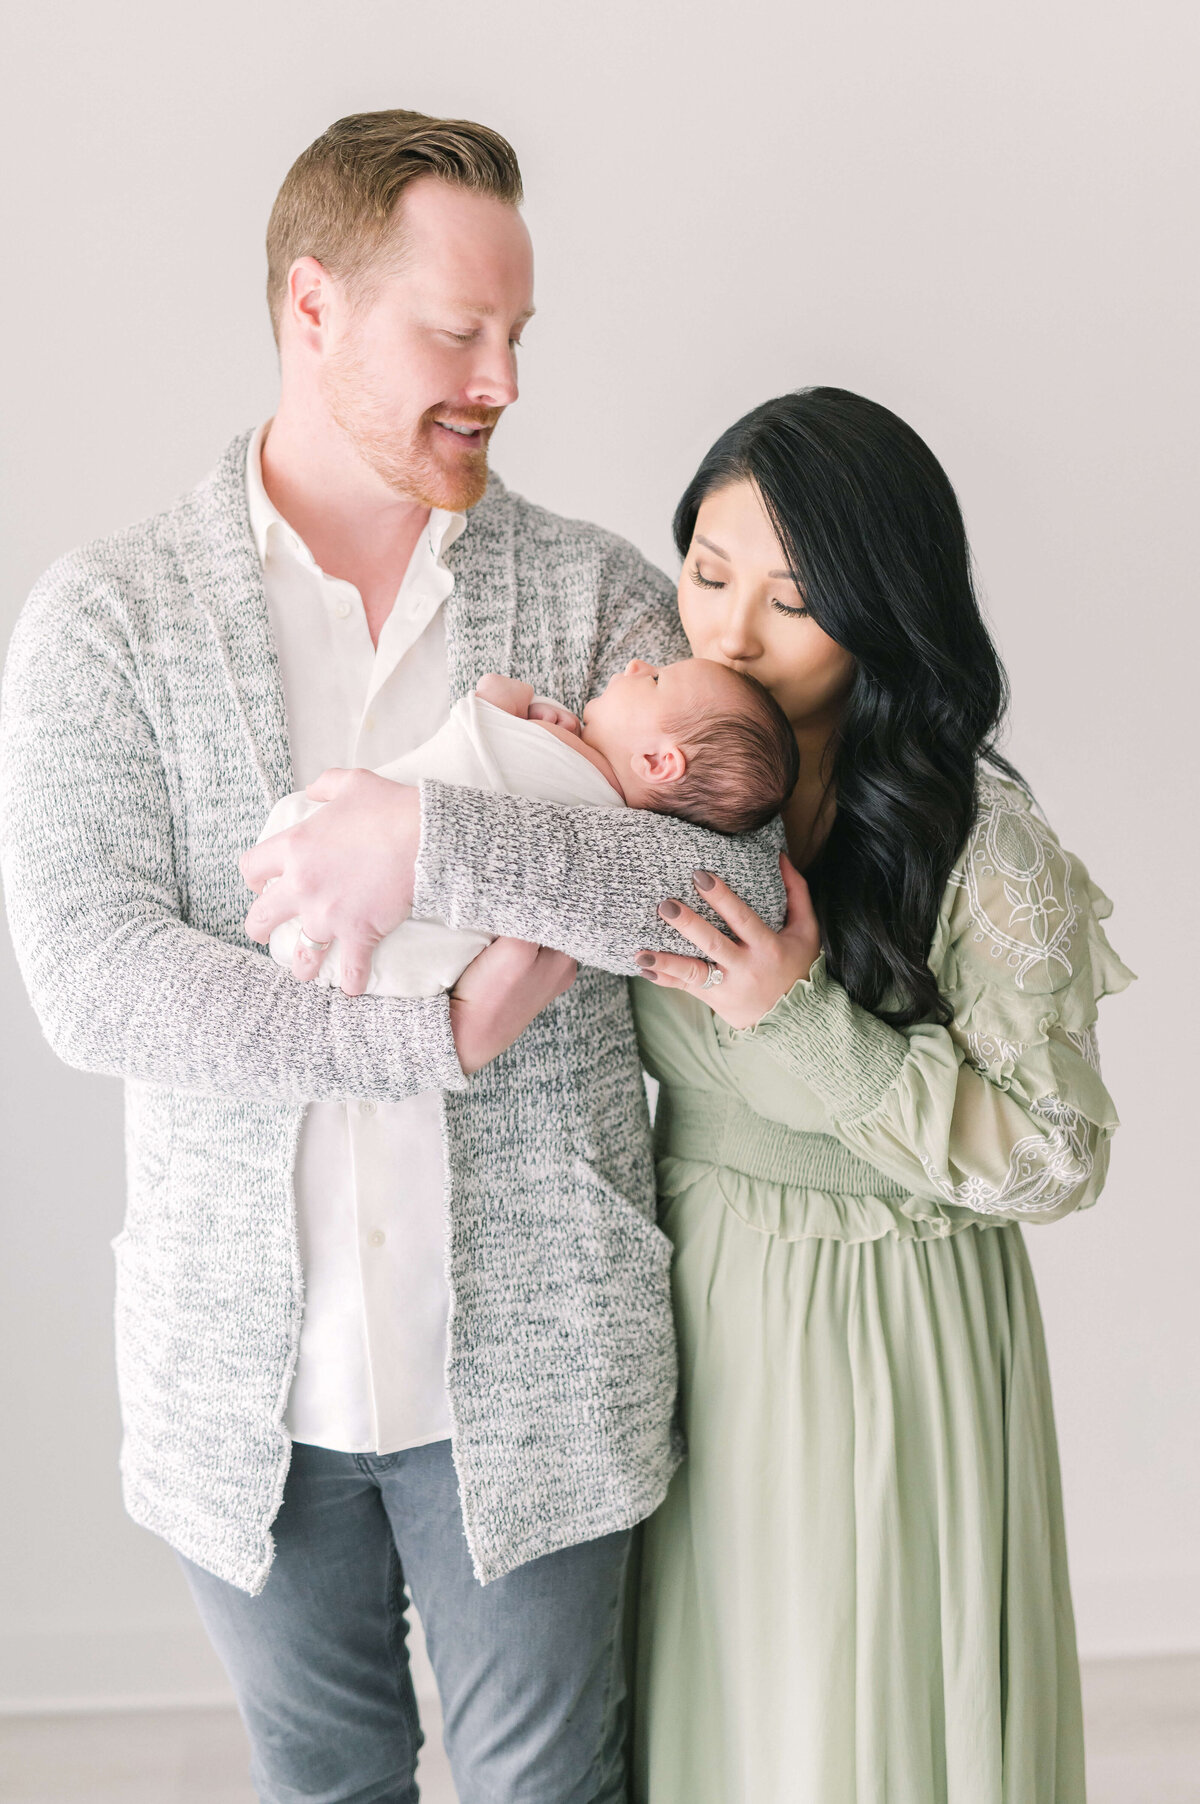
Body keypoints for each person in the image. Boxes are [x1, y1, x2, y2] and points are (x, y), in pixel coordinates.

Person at [0, 109, 786, 1804]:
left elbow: (733, 870)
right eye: (458, 329)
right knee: (324, 1780)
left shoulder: (586, 595)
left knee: (553, 1785)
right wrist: (425, 1033)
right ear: (314, 310)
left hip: (543, 1359)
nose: (502, 377)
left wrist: (434, 842)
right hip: (245, 1387)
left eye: (520, 334)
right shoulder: (111, 614)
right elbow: (90, 967)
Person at [254, 388, 1133, 1802]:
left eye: (792, 601)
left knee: (874, 1720)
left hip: (893, 1327)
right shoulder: (653, 797)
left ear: (881, 614)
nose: (725, 632)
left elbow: (1058, 1154)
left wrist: (803, 1020)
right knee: (713, 1729)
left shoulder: (980, 846)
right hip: (700, 1314)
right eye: (709, 575)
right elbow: (489, 876)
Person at [260, 657, 798, 995]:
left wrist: (504, 703)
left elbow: (479, 727)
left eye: (656, 679)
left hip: (324, 885)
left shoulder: (574, 763)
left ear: (657, 763)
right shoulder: (617, 822)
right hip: (410, 972)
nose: (635, 665)